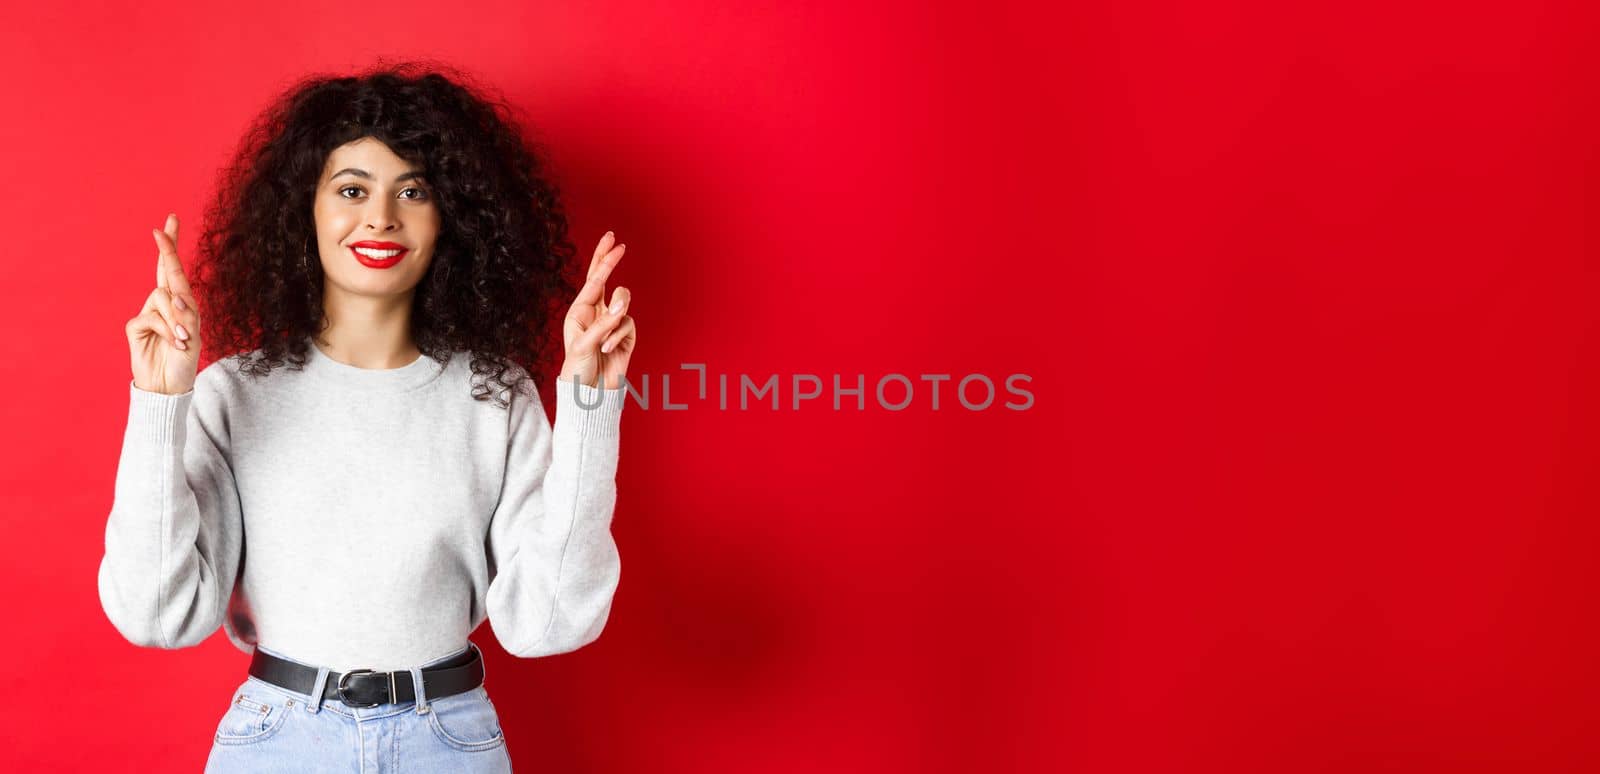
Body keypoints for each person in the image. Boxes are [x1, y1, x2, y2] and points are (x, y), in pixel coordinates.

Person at [96, 62, 638, 773]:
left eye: (412, 191)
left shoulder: (494, 397)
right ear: (305, 210)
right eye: (352, 189)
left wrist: (590, 407)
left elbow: (549, 623)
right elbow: (158, 615)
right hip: (279, 740)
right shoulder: (233, 394)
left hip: (450, 741)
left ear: (452, 218)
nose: (381, 216)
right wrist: (162, 404)